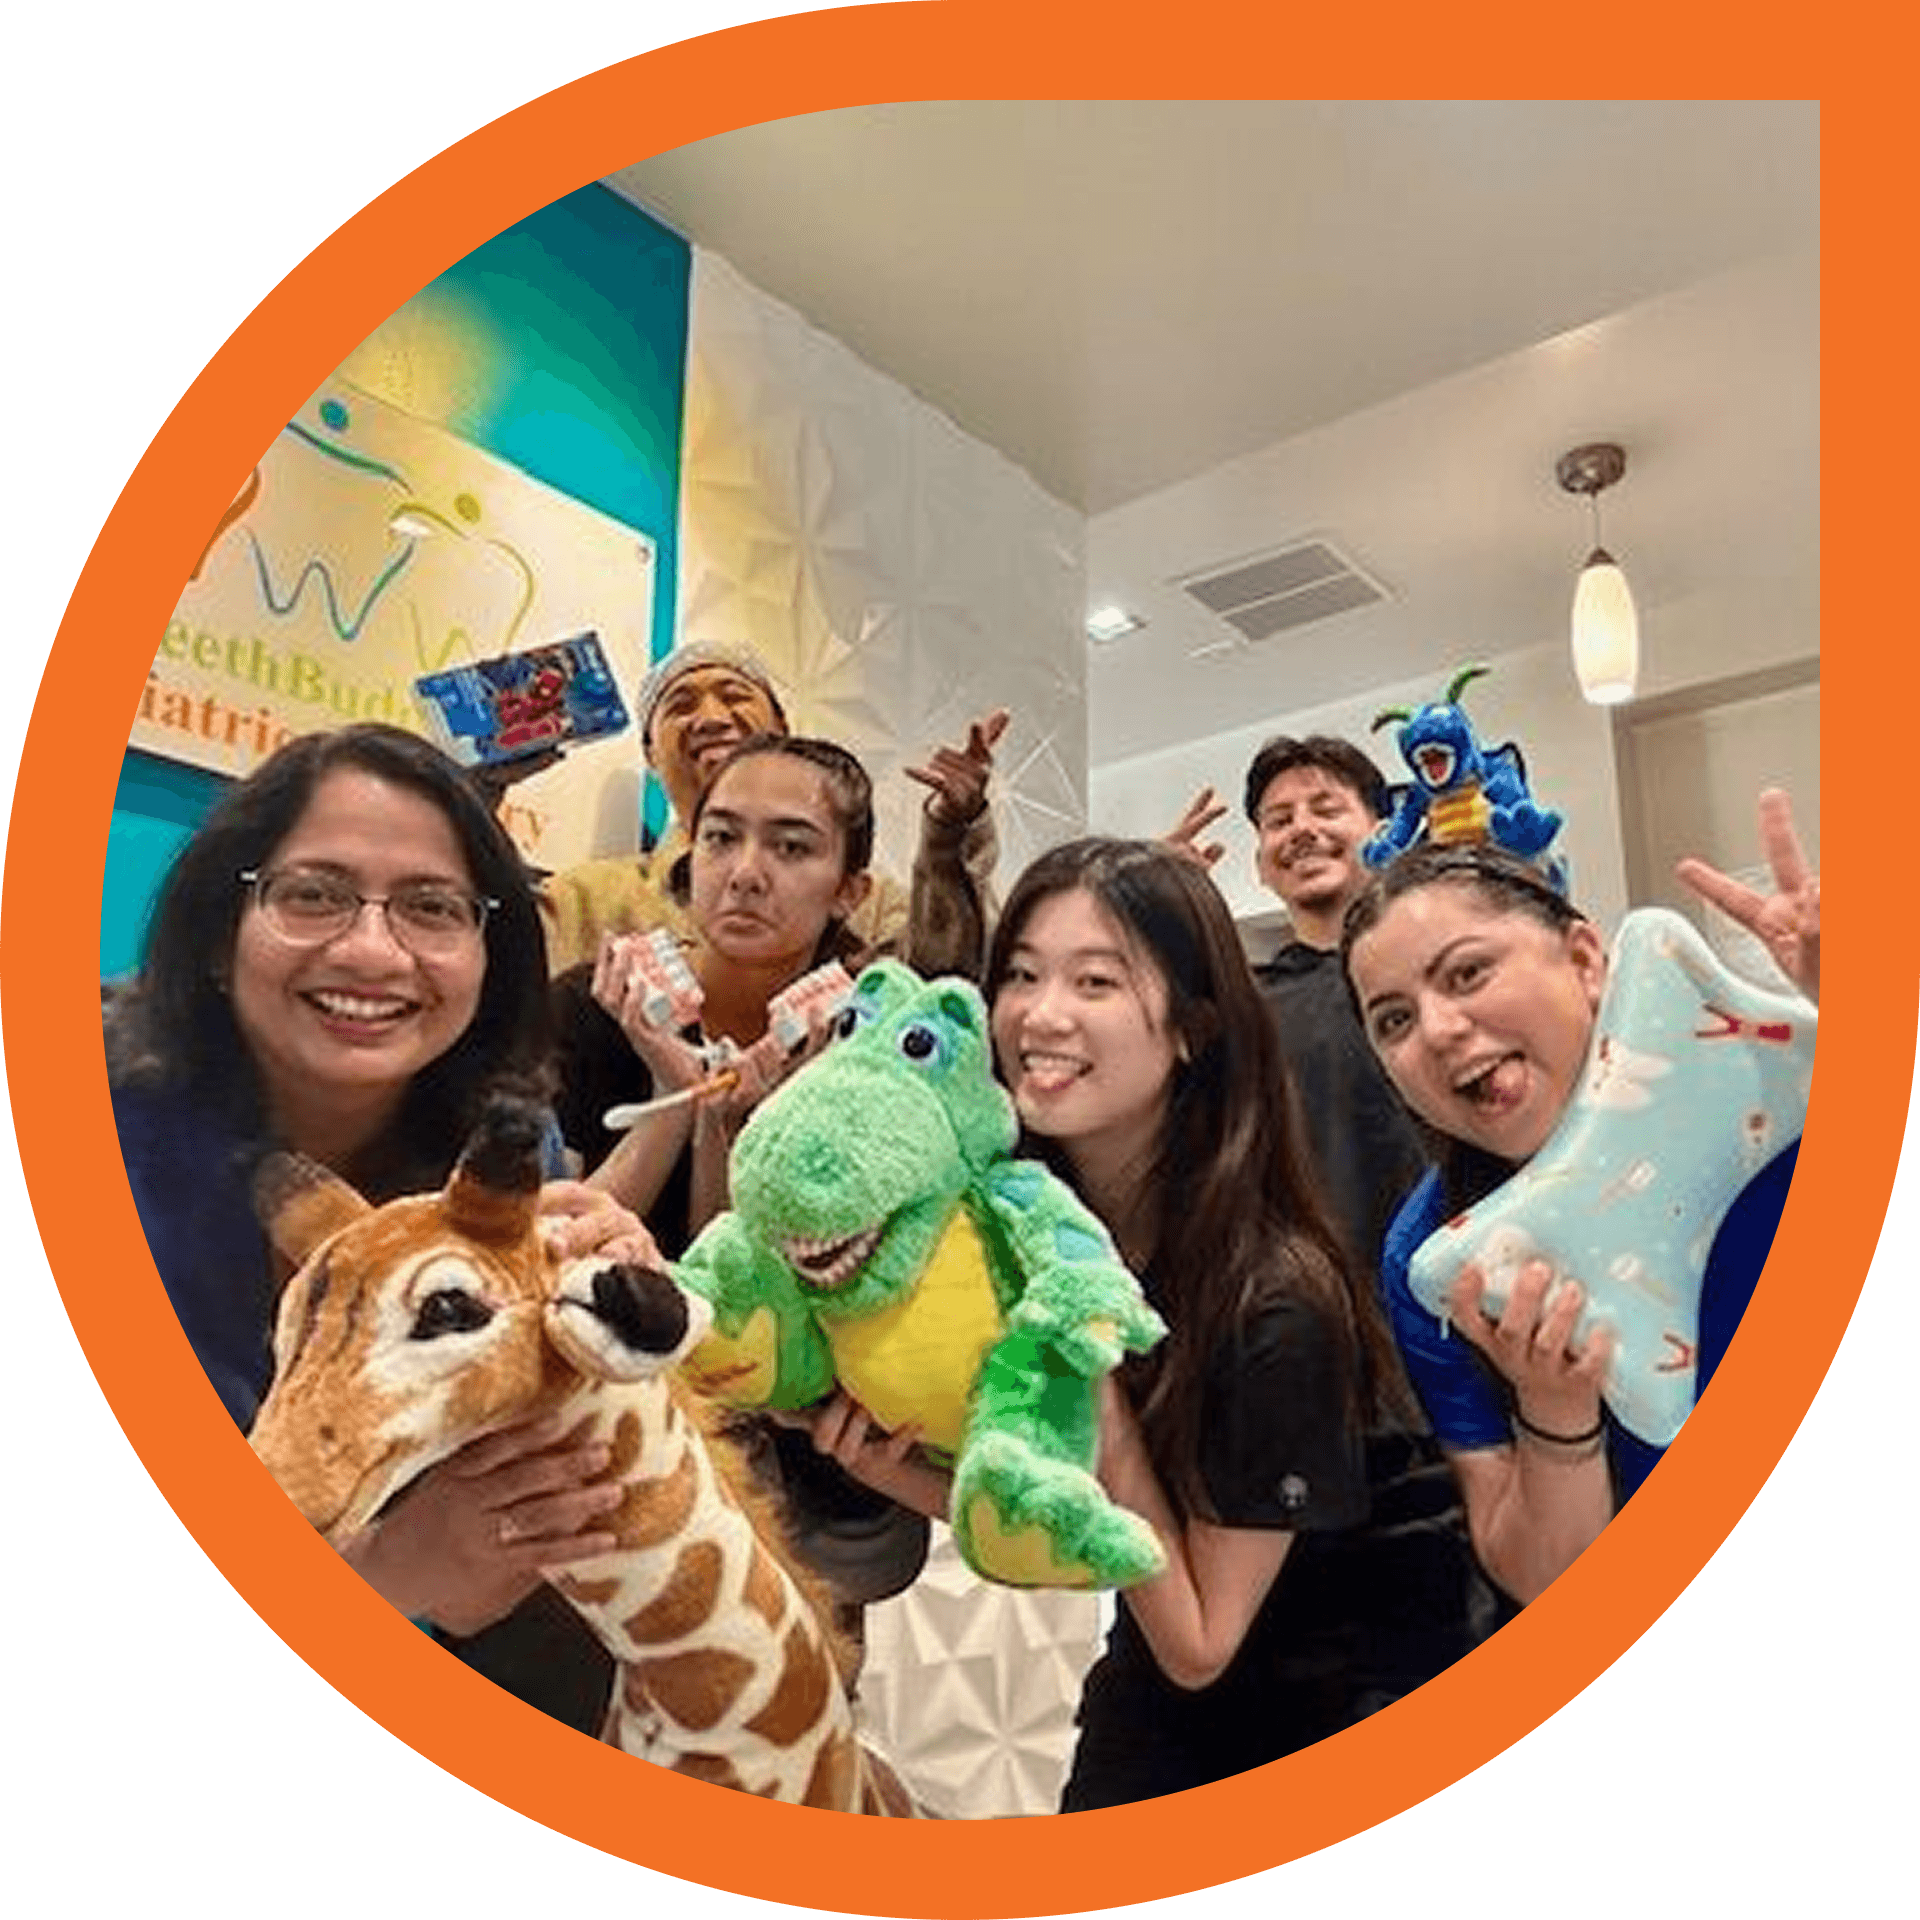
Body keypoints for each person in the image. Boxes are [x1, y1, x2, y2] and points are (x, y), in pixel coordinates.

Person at [107, 721, 659, 1730]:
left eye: (431, 907)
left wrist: (593, 1325)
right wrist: (388, 1573)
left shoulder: (499, 1158)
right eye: (312, 893)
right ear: (220, 933)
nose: (371, 950)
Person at [1340, 789, 1817, 1603]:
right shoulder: (1445, 1260)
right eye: (1393, 1021)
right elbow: (1546, 1584)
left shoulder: (1777, 1081)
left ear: (1587, 960)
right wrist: (1553, 1407)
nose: (1439, 1029)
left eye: (1468, 972)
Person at [550, 732, 931, 1631]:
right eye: (720, 838)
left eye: (791, 846)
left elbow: (747, 1322)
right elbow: (558, 1244)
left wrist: (737, 1131)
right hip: (608, 1471)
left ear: (851, 890)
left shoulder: (877, 1046)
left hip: (814, 1496)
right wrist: (674, 1091)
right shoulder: (590, 1008)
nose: (745, 872)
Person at [536, 640, 1006, 981]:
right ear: (651, 756)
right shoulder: (586, 900)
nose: (712, 718)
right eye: (680, 705)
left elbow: (948, 990)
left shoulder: (870, 902)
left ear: (783, 728)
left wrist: (949, 838)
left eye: (735, 696)